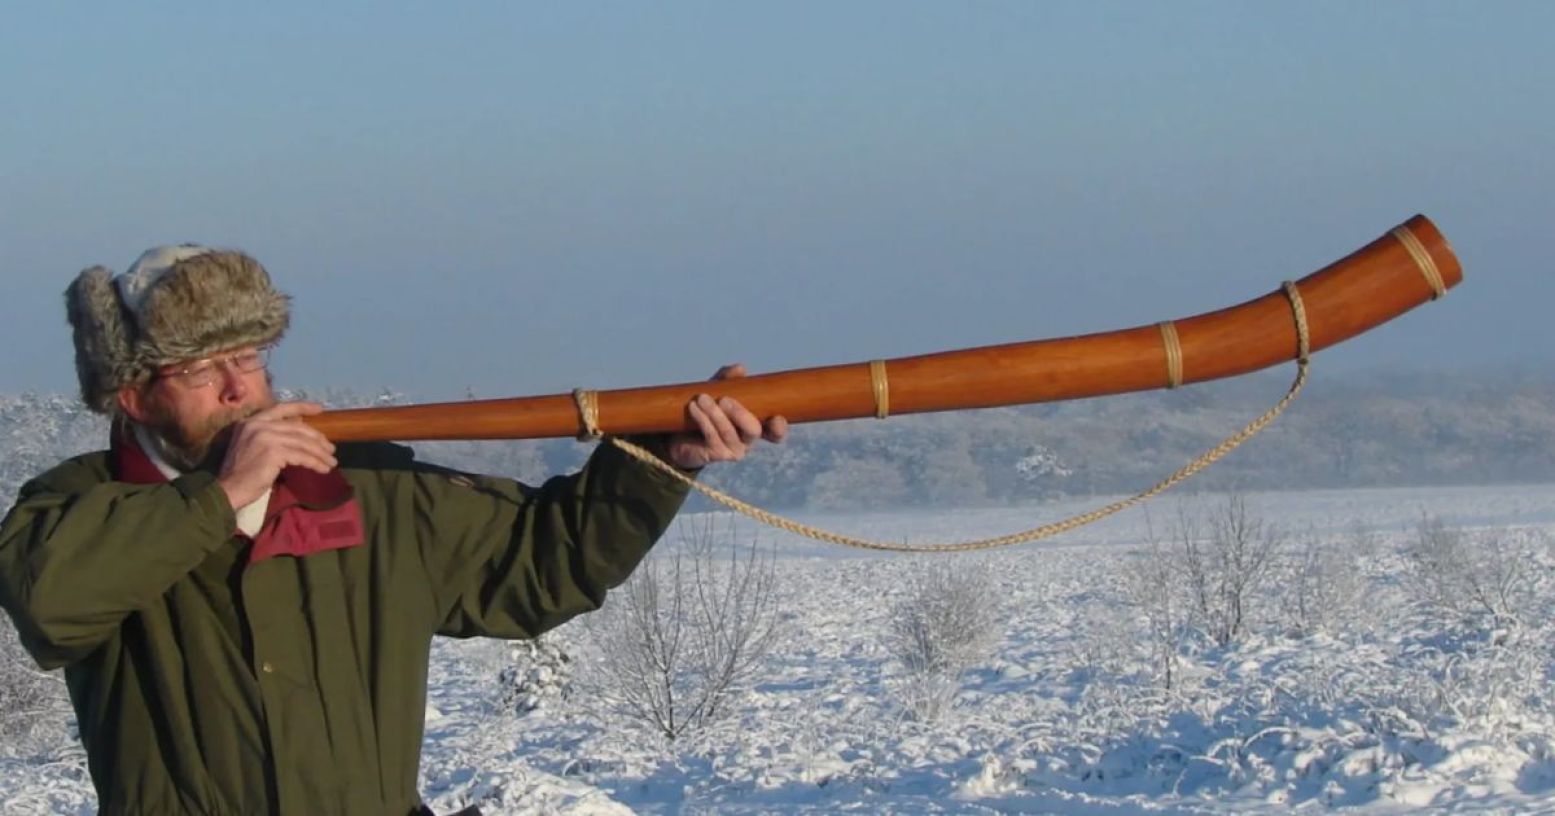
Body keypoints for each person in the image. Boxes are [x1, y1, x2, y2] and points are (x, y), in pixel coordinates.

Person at [0, 245, 787, 816]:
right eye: (203, 372)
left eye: (250, 358)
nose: (242, 388)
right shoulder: (77, 505)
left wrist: (658, 461)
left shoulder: (368, 488)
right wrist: (223, 493)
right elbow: (52, 605)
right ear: (132, 398)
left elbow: (540, 568)